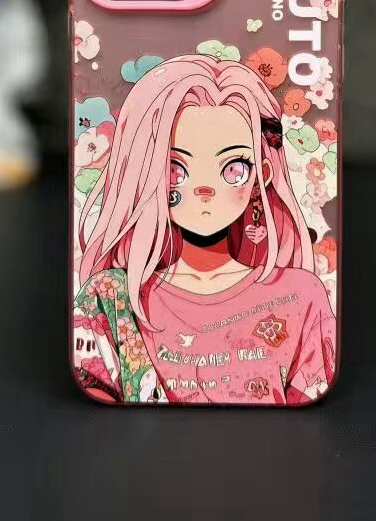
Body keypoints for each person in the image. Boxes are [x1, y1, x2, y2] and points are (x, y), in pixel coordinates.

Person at [72, 54, 336, 404]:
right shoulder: (110, 298)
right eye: (176, 168)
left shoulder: (301, 296)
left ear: (261, 177)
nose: (204, 189)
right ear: (145, 171)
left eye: (233, 168)